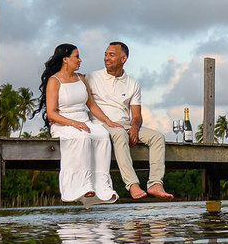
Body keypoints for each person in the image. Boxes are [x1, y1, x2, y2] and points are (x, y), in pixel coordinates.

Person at [86, 42, 174, 200]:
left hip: (125, 123)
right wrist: (109, 122)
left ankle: (155, 183)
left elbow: (137, 115)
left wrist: (134, 129)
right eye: (106, 54)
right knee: (120, 134)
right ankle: (132, 184)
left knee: (157, 137)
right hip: (101, 123)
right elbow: (88, 104)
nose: (106, 58)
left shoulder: (133, 83)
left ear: (123, 58)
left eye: (111, 55)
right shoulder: (92, 77)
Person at [38, 43, 119, 205]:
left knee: (102, 135)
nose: (80, 60)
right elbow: (52, 114)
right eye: (77, 56)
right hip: (63, 124)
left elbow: (92, 106)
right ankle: (83, 186)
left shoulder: (81, 78)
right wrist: (74, 123)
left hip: (84, 121)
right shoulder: (54, 81)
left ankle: (103, 186)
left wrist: (108, 121)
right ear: (65, 59)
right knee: (82, 138)